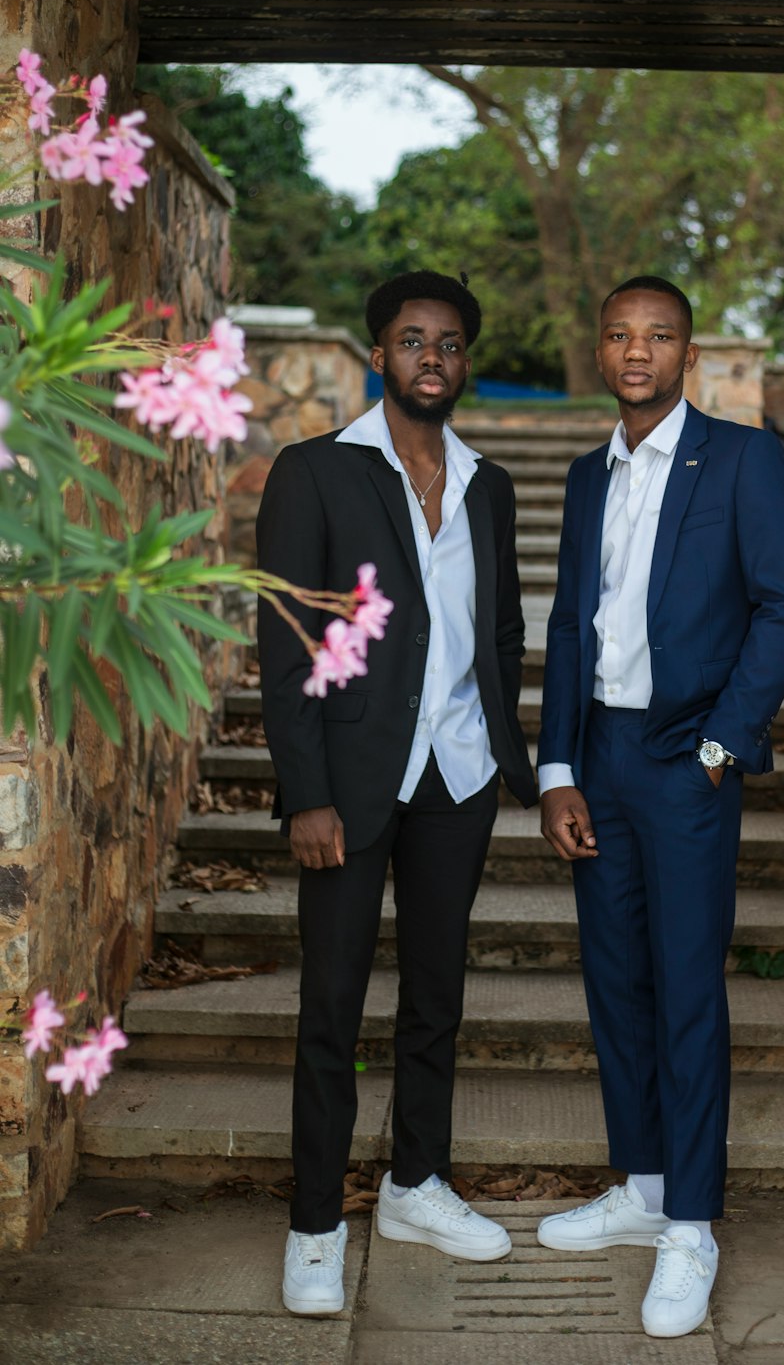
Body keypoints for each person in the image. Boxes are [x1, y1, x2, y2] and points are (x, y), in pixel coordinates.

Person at [536, 276, 784, 1339]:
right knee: (616, 980)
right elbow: (569, 626)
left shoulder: (740, 458)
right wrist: (557, 766)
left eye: (658, 336)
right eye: (619, 335)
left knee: (688, 989)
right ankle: (645, 1185)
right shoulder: (582, 476)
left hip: (683, 756)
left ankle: (691, 1224)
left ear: (688, 354)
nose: (637, 351)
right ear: (600, 352)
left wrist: (717, 747)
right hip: (600, 754)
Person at [257, 269, 536, 1317]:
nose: (434, 356)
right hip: (351, 782)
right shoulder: (317, 471)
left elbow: (498, 632)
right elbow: (288, 646)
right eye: (414, 339)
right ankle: (316, 1224)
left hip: (456, 776)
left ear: (466, 361)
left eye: (451, 342)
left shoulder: (488, 485)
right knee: (330, 1008)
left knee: (436, 1001)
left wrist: (509, 750)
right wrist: (305, 792)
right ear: (381, 354)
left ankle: (416, 1184)